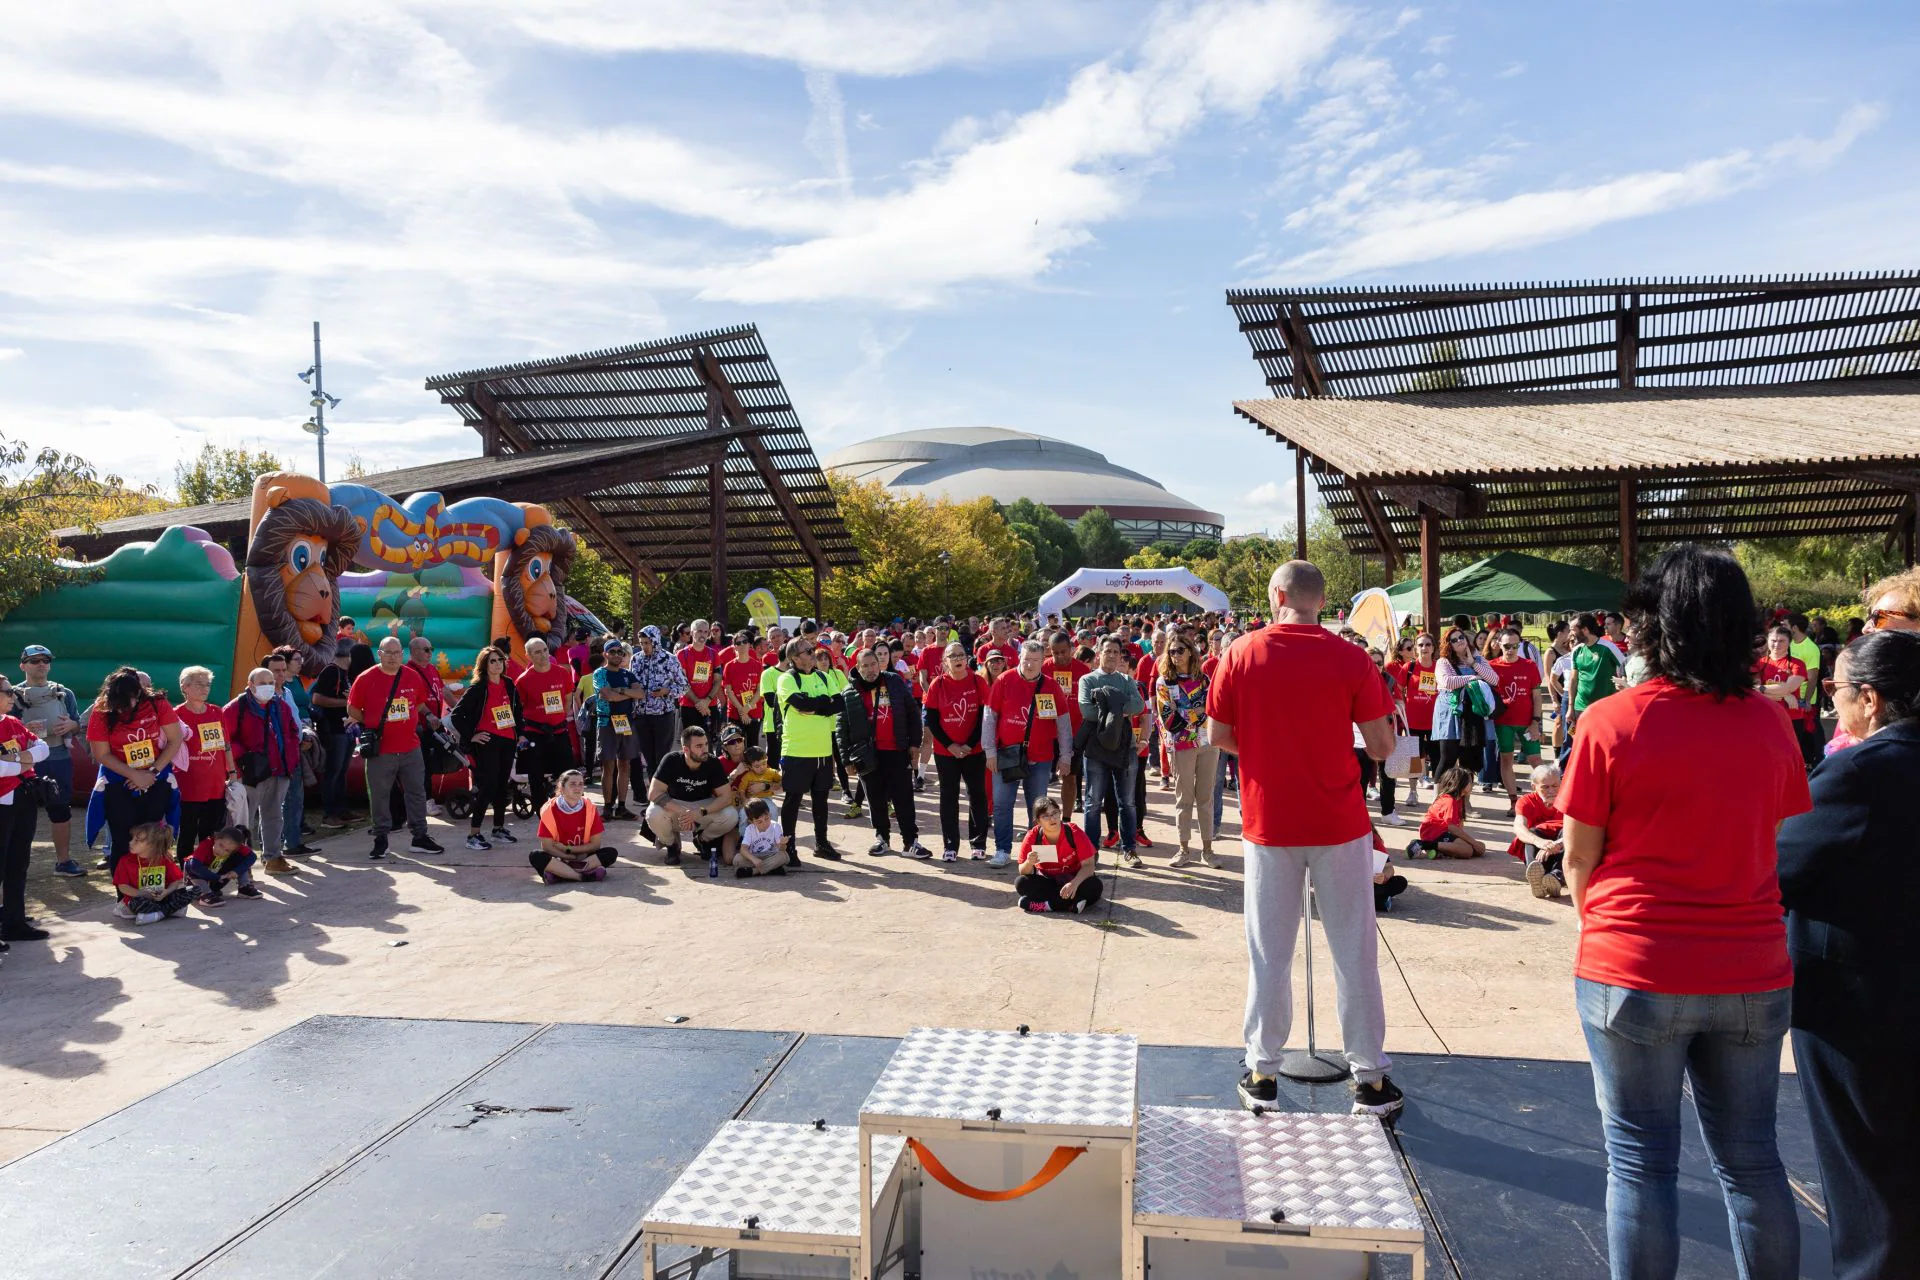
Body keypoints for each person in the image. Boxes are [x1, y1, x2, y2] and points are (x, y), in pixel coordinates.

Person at [1559, 544, 1808, 1280]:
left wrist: (1606, 931)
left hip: (1633, 964)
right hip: (1752, 968)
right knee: (1754, 1161)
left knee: (1640, 1164)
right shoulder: (1771, 725)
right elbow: (1775, 841)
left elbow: (1578, 858)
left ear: (1653, 625)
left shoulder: (1610, 722)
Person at [1207, 560, 1402, 1118]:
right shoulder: (1351, 657)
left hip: (1269, 822)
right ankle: (1368, 1076)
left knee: (1269, 950)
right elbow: (1384, 748)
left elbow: (1220, 735)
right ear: (1320, 601)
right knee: (1354, 950)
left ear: (1277, 594)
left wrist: (1272, 753)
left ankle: (1263, 1070)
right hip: (1339, 822)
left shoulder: (1240, 652)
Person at [1773, 630, 1920, 1278]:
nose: (1832, 705)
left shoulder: (1861, 771)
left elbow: (1777, 866)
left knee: (1867, 1183)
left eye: (1835, 690)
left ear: (1869, 697)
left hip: (1860, 1012)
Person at [347, 636, 442, 860]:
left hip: (410, 747)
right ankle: (381, 839)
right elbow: (353, 709)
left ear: (403, 654)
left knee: (417, 793)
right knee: (380, 796)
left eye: (397, 653)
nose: (393, 657)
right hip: (382, 750)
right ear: (379, 654)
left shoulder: (411, 676)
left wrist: (428, 714)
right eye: (388, 652)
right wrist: (372, 722)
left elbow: (418, 702)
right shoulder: (366, 678)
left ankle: (420, 836)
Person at [983, 640, 1073, 869]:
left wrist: (1065, 756)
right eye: (1026, 660)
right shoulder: (1005, 680)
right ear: (1019, 659)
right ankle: (1003, 850)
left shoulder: (1051, 686)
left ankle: (1041, 856)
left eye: (1035, 661)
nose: (1030, 665)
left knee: (1040, 807)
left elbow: (1063, 724)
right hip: (1007, 755)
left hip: (1040, 758)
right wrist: (990, 751)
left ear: (1043, 661)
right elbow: (989, 717)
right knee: (1003, 804)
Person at [87, 666, 186, 872]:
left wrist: (151, 773)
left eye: (127, 703)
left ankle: (151, 892)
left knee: (151, 838)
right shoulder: (101, 709)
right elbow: (101, 754)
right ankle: (125, 897)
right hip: (118, 780)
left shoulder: (157, 704)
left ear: (138, 693)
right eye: (118, 704)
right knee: (124, 840)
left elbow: (175, 739)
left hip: (155, 779)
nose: (122, 709)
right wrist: (133, 774)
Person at [838, 645, 929, 858]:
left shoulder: (894, 681)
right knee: (875, 798)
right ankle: (882, 839)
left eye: (873, 664)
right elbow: (841, 728)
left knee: (903, 797)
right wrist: (845, 759)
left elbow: (912, 713)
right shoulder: (849, 691)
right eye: (865, 666)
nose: (871, 669)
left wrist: (915, 743)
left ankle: (911, 842)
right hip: (867, 755)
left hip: (896, 750)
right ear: (857, 668)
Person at [222, 665, 305, 874]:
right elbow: (225, 740)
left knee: (275, 816)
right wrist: (246, 756)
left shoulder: (280, 705)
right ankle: (242, 863)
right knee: (244, 820)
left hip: (280, 770)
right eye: (262, 683)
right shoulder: (236, 708)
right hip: (251, 773)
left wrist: (291, 758)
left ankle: (274, 858)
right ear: (250, 685)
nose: (268, 687)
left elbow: (293, 732)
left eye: (271, 683)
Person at [17, 645, 84, 878]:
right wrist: (24, 731)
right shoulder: (12, 695)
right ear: (23, 665)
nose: (41, 664)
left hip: (58, 757)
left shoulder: (64, 693)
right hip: (23, 763)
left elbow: (78, 723)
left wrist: (70, 726)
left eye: (45, 660)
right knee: (19, 815)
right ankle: (15, 867)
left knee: (60, 810)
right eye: (34, 661)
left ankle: (63, 862)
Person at [1078, 636, 1146, 864]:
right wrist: (1118, 707)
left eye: (1116, 652)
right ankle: (1091, 851)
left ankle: (1129, 849)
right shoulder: (1087, 680)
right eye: (1108, 651)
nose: (1112, 655)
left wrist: (1107, 705)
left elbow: (1138, 705)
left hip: (1124, 747)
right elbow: (1086, 711)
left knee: (1127, 801)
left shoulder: (1127, 680)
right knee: (1093, 801)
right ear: (1099, 653)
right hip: (1096, 748)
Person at [775, 637, 843, 864]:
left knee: (821, 800)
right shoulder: (787, 678)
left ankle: (821, 843)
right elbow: (799, 704)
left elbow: (839, 703)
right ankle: (789, 847)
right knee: (793, 800)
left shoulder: (823, 676)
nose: (813, 654)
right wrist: (823, 703)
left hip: (822, 750)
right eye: (807, 651)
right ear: (794, 657)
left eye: (813, 650)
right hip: (796, 750)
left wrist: (817, 706)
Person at [923, 642, 992, 862]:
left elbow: (984, 716)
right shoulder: (938, 684)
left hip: (974, 750)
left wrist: (970, 745)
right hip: (946, 752)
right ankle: (950, 845)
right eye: (952, 656)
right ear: (945, 662)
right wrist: (951, 745)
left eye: (961, 654)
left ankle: (978, 843)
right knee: (949, 797)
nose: (958, 659)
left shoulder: (977, 681)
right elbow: (931, 720)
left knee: (977, 795)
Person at [1155, 635, 1218, 868]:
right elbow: (1170, 721)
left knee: (1205, 797)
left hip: (1207, 744)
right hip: (1181, 745)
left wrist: (1183, 710)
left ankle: (1208, 850)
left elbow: (1212, 709)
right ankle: (1183, 849)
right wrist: (1197, 710)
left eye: (1180, 650)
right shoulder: (1164, 683)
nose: (1176, 655)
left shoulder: (1204, 679)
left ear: (1191, 652)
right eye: (1171, 651)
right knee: (1184, 798)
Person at [451, 647, 522, 851]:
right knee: (487, 786)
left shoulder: (509, 684)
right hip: (488, 742)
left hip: (508, 740)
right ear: (484, 665)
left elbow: (517, 711)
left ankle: (498, 828)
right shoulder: (477, 688)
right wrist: (472, 735)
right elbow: (457, 716)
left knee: (502, 785)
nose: (497, 663)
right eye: (492, 661)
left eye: (500, 659)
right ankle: (474, 834)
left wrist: (521, 733)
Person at [0, 678, 50, 945]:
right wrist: (23, 762)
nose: (13, 696)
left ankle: (14, 922)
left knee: (18, 862)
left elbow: (41, 748)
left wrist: (15, 760)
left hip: (23, 798)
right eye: (8, 692)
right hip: (2, 802)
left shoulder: (12, 722)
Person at [646, 725, 738, 866]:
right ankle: (672, 845)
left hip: (702, 807)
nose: (705, 749)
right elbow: (653, 793)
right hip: (675, 807)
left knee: (731, 815)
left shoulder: (713, 763)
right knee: (653, 812)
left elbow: (726, 797)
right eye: (699, 746)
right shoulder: (671, 760)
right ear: (686, 749)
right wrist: (682, 811)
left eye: (706, 744)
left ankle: (703, 840)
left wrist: (699, 812)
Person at [173, 665, 234, 854]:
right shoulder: (176, 715)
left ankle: (205, 868)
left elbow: (226, 745)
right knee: (187, 833)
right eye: (199, 684)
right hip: (188, 783)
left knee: (210, 833)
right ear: (185, 687)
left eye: (207, 684)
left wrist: (232, 772)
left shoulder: (217, 712)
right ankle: (186, 872)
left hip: (215, 784)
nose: (205, 689)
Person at [514, 637, 578, 813]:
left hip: (558, 729)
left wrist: (560, 717)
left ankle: (569, 807)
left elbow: (567, 698)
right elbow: (520, 709)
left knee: (567, 772)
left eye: (544, 650)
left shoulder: (562, 673)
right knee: (536, 774)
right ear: (528, 656)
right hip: (535, 732)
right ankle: (542, 812)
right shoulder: (523, 680)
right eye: (537, 652)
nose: (542, 655)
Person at [1014, 796, 1103, 915]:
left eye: (1055, 813)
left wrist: (1074, 883)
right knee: (1021, 882)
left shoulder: (1073, 832)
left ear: (1060, 813)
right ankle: (1071, 904)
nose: (1052, 819)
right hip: (1048, 882)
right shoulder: (1033, 836)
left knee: (1094, 886)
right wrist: (1029, 863)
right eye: (1045, 816)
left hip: (1074, 880)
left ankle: (1045, 905)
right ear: (1038, 821)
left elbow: (1089, 866)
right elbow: (1022, 870)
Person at [1487, 628, 1544, 811]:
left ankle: (1545, 799)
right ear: (1499, 644)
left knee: (1535, 760)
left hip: (1527, 723)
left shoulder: (1529, 665)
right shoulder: (1492, 666)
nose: (1510, 650)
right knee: (1506, 760)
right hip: (1503, 724)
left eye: (1514, 646)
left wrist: (1536, 722)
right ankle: (1513, 801)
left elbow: (1536, 697)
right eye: (1506, 646)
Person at [628, 626, 688, 801]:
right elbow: (632, 683)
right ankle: (653, 798)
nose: (644, 646)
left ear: (655, 641)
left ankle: (664, 795)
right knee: (648, 757)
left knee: (662, 757)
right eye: (641, 643)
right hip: (641, 715)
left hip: (663, 714)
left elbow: (683, 686)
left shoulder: (669, 659)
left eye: (647, 643)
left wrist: (666, 691)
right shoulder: (636, 659)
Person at [1430, 628, 1496, 777]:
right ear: (1449, 644)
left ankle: (1465, 800)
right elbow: (1447, 682)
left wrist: (1473, 664)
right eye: (1454, 640)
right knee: (1448, 759)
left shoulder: (1478, 659)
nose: (1459, 640)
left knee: (1469, 762)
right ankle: (1439, 798)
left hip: (1472, 713)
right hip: (1450, 712)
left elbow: (1494, 680)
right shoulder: (1443, 661)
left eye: (1461, 637)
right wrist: (1472, 678)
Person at [531, 769, 615, 884]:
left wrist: (569, 850)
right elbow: (547, 847)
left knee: (610, 853)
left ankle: (559, 874)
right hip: (558, 856)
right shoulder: (549, 809)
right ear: (561, 787)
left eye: (581, 784)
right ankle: (582, 876)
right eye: (572, 784)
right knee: (536, 856)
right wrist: (568, 857)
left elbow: (595, 845)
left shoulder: (589, 807)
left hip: (583, 855)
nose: (578, 787)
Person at [590, 639, 642, 820]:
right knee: (608, 765)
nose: (617, 655)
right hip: (606, 723)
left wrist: (619, 690)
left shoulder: (628, 674)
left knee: (625, 765)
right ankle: (607, 807)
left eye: (620, 652)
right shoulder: (599, 673)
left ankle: (621, 806)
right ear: (605, 654)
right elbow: (607, 696)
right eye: (612, 651)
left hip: (626, 722)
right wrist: (626, 692)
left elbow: (640, 694)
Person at [1042, 631, 1089, 817]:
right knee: (1040, 780)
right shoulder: (1043, 669)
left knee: (1069, 779)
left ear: (1071, 649)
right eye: (1055, 653)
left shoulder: (1083, 671)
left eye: (1063, 652)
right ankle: (1041, 823)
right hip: (1046, 734)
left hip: (1073, 734)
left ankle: (1067, 821)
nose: (1060, 656)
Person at [308, 645, 355, 827]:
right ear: (348, 655)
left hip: (346, 729)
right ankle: (329, 814)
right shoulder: (330, 671)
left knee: (341, 772)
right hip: (335, 730)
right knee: (333, 773)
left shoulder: (343, 673)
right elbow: (317, 698)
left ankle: (341, 810)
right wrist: (346, 703)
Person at [1561, 612, 1621, 753]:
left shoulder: (1608, 647)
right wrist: (1570, 707)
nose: (1571, 634)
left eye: (1573, 629)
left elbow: (1625, 668)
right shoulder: (1576, 650)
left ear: (1585, 630)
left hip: (1605, 708)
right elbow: (1573, 680)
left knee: (1603, 744)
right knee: (1578, 743)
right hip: (1580, 708)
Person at [113, 822, 193, 925]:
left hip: (162, 896)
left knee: (192, 890)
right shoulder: (125, 860)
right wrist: (143, 893)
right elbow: (123, 886)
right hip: (139, 897)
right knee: (136, 904)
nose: (131, 843)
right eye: (132, 839)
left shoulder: (164, 859)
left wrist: (167, 892)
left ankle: (157, 913)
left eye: (137, 841)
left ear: (152, 845)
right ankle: (168, 910)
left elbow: (176, 881)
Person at [1507, 762, 1566, 898]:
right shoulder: (1526, 801)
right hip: (1539, 849)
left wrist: (1559, 843)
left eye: (1555, 786)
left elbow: (1580, 828)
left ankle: (1556, 876)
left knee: (1568, 833)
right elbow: (1519, 826)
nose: (1551, 790)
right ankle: (1537, 873)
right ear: (1534, 787)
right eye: (1545, 787)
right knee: (1530, 833)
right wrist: (1540, 842)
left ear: (1561, 783)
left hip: (1563, 845)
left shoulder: (1569, 798)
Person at [1406, 767, 1484, 859]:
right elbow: (1452, 828)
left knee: (1481, 847)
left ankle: (1438, 850)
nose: (1472, 785)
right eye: (1469, 782)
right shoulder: (1449, 800)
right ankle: (1422, 844)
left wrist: (1470, 843)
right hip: (1434, 834)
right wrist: (1472, 843)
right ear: (1458, 783)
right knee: (1467, 851)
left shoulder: (1459, 798)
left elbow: (1459, 826)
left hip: (1444, 833)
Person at [183, 823, 262, 906]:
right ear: (216, 838)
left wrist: (236, 872)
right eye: (221, 845)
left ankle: (244, 887)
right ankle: (205, 895)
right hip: (193, 888)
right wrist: (216, 877)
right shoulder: (206, 844)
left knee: (241, 857)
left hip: (216, 881)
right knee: (190, 864)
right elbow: (194, 866)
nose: (222, 851)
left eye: (227, 850)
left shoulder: (234, 847)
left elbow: (252, 856)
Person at [1786, 614, 1825, 767]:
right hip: (1790, 695)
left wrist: (1807, 700)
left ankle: (1818, 760)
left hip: (1805, 698)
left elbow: (1813, 677)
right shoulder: (1789, 644)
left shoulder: (1810, 648)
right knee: (1798, 731)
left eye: (1786, 624)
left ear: (1794, 627)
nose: (1784, 627)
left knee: (1812, 731)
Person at [677, 618, 722, 740]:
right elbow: (682, 682)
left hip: (709, 705)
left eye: (706, 632)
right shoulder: (682, 654)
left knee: (708, 743)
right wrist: (698, 703)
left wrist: (706, 701)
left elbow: (718, 680)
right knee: (690, 743)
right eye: (699, 631)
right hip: (689, 706)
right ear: (692, 633)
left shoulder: (713, 654)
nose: (703, 635)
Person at [719, 632, 765, 751]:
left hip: (754, 712)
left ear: (750, 644)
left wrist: (747, 708)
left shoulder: (757, 665)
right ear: (734, 647)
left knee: (753, 746)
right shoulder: (729, 666)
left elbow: (760, 690)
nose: (742, 645)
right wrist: (742, 710)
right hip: (735, 712)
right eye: (738, 643)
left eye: (745, 641)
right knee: (735, 747)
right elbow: (728, 691)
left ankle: (751, 769)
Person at [734, 797, 789, 877]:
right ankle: (772, 870)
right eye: (759, 822)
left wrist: (783, 843)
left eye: (767, 819)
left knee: (784, 857)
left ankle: (754, 871)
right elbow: (743, 849)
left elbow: (781, 849)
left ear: (769, 814)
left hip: (771, 855)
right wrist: (754, 859)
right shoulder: (750, 829)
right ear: (751, 821)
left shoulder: (775, 826)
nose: (764, 823)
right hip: (755, 856)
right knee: (737, 859)